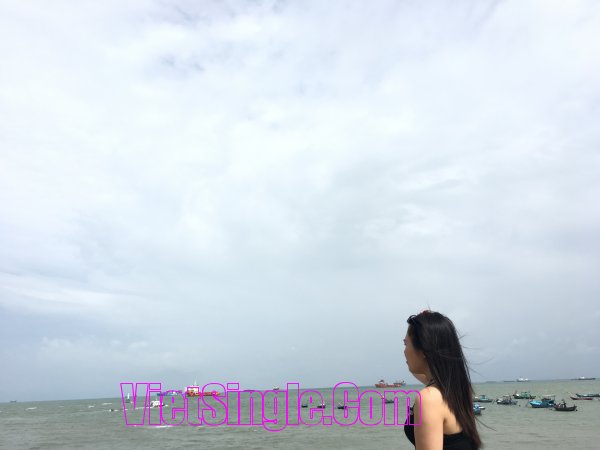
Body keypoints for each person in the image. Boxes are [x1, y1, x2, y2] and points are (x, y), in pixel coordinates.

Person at [403, 310, 482, 450]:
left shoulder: (429, 398)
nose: (404, 351)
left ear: (423, 349)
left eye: (405, 344)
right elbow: (422, 373)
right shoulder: (456, 390)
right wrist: (427, 323)